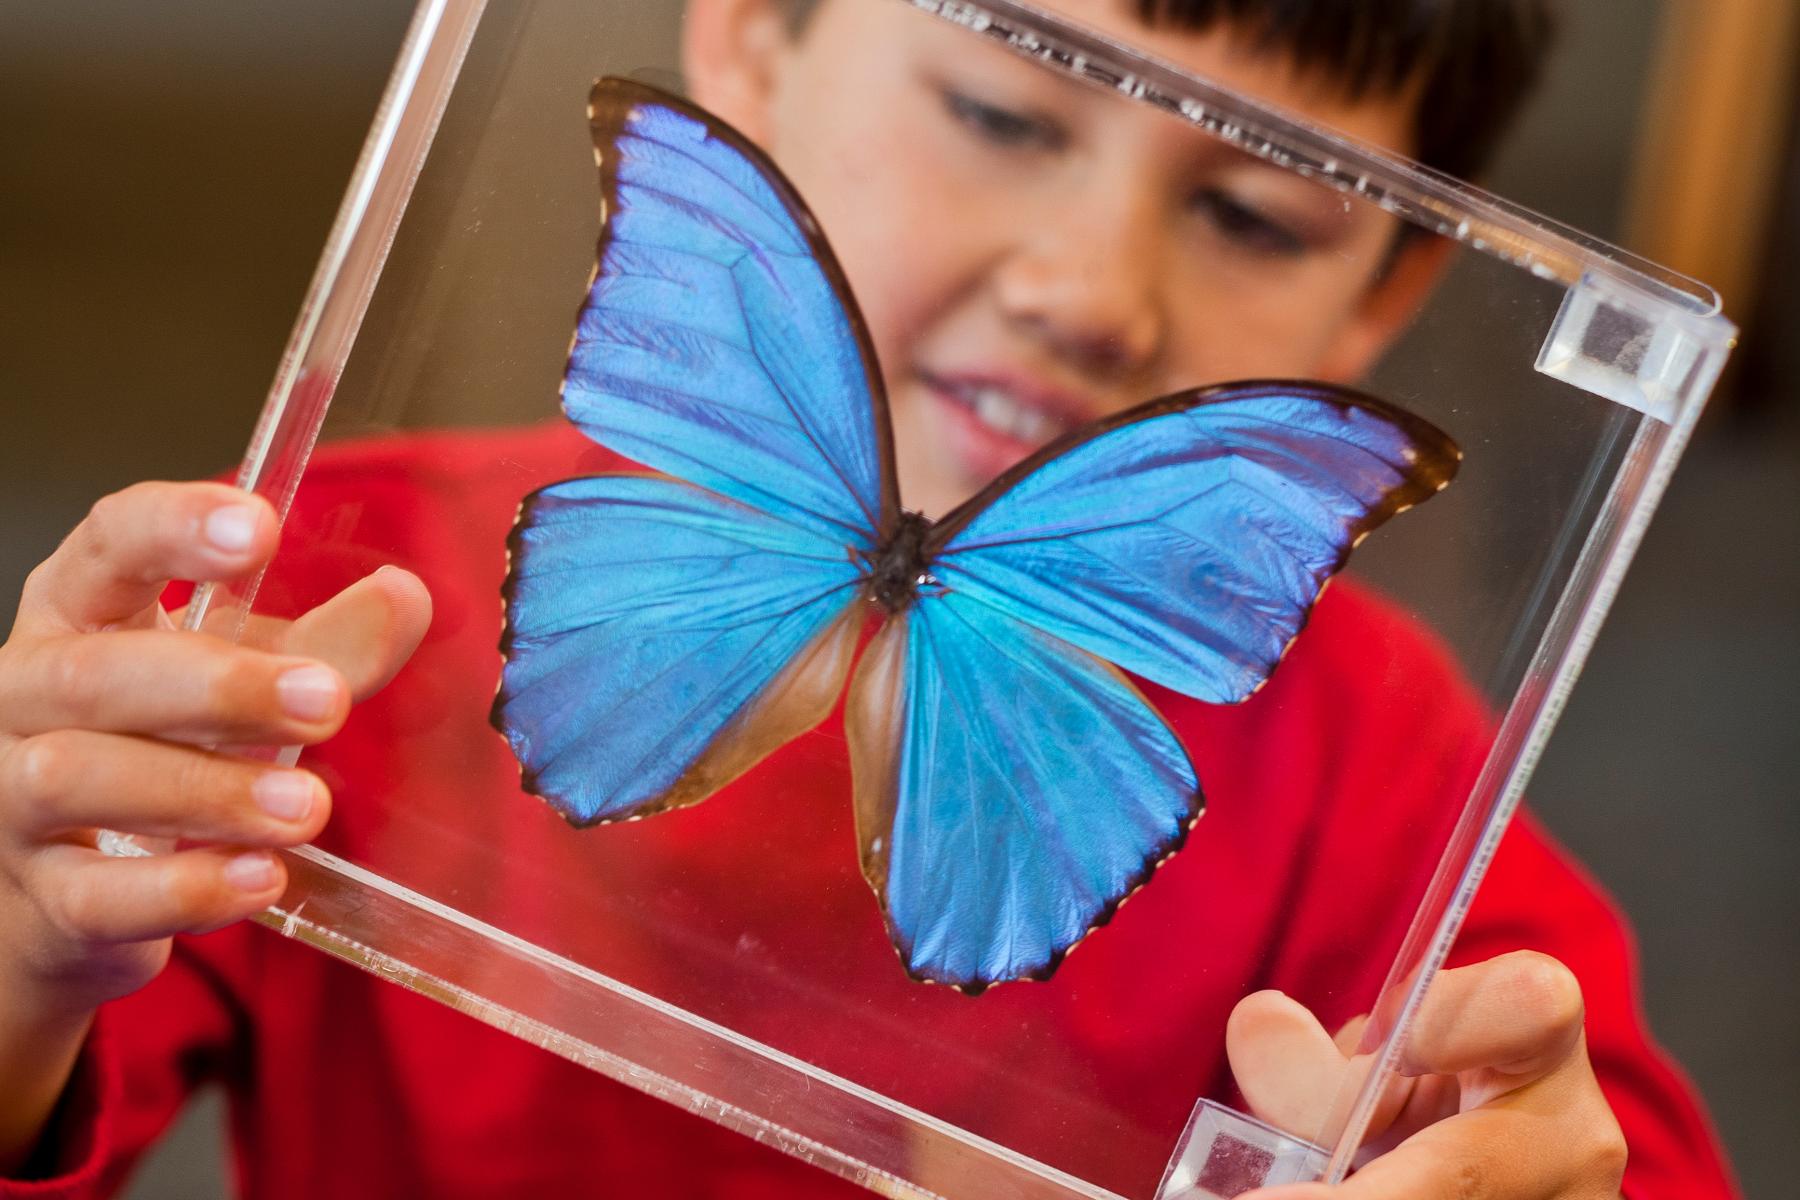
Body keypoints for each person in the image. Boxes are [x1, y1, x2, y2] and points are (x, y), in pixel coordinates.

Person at [0, 0, 1738, 1196]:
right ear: (754, 37)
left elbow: (1597, 1132)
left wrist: (1525, 1146)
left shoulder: (1380, 776)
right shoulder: (350, 598)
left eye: (1260, 218)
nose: (1090, 294)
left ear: (1391, 295)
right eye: (998, 111)